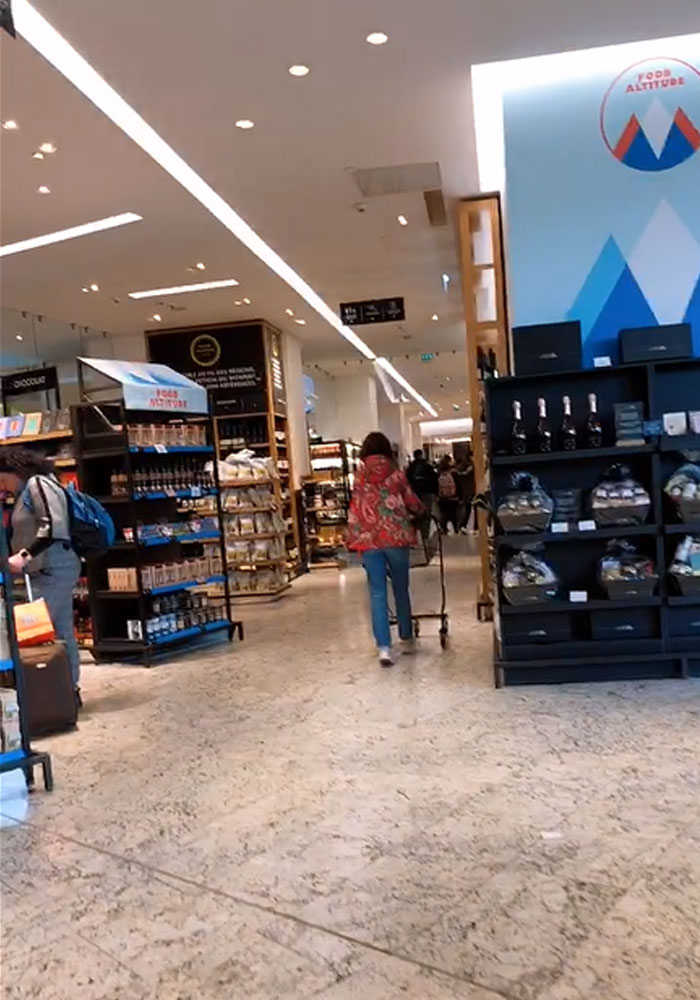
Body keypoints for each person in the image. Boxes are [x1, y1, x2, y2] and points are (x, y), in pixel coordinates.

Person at [0, 447, 82, 705]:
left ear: (14, 471)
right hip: (40, 571)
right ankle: (59, 690)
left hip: (54, 568)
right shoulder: (24, 492)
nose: (2, 486)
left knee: (56, 630)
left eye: (2, 479)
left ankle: (68, 692)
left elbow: (53, 527)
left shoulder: (39, 484)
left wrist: (22, 557)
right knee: (50, 629)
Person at [348, 432, 423, 667]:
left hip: (369, 540)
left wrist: (353, 536)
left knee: (377, 593)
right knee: (401, 588)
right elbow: (412, 501)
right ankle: (406, 633)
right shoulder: (396, 474)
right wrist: (420, 511)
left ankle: (383, 648)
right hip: (396, 538)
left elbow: (356, 507)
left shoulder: (359, 477)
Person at [437, 455, 460, 534]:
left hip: (442, 498)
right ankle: (456, 529)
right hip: (453, 497)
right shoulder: (454, 474)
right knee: (454, 514)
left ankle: (444, 529)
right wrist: (459, 496)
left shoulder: (439, 475)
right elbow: (458, 485)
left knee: (444, 514)